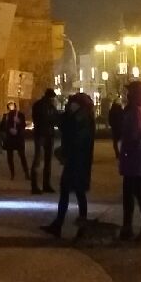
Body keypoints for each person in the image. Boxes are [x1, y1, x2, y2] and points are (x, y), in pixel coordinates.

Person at [42, 92, 96, 238]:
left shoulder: (81, 118)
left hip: (77, 161)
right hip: (77, 161)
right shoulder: (79, 117)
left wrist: (65, 152)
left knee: (76, 193)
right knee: (72, 192)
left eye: (72, 102)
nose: (70, 105)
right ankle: (61, 225)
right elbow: (63, 124)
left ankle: (73, 227)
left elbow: (75, 138)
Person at [118, 80, 141, 242]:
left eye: (130, 92)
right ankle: (133, 227)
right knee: (135, 193)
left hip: (134, 157)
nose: (127, 95)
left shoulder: (135, 111)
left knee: (135, 193)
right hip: (136, 156)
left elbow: (133, 134)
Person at [31, 88, 60, 194]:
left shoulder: (44, 105)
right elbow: (49, 119)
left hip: (45, 134)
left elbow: (54, 118)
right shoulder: (44, 106)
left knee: (44, 160)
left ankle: (43, 185)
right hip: (43, 134)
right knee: (40, 160)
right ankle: (39, 185)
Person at [0, 101, 29, 181]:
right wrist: (8, 130)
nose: (11, 107)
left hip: (18, 138)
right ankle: (12, 174)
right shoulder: (6, 116)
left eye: (12, 105)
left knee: (22, 156)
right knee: (10, 157)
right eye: (10, 105)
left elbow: (23, 125)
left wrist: (19, 122)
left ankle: (26, 173)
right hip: (10, 138)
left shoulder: (20, 115)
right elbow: (2, 127)